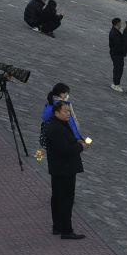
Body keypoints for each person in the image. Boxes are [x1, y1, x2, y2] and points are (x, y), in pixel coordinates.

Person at [42, 99, 89, 240]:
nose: (68, 113)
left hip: (58, 167)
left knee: (57, 197)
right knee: (66, 199)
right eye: (65, 111)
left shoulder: (57, 124)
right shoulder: (56, 128)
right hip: (64, 168)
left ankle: (57, 226)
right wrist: (81, 147)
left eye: (68, 111)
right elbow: (65, 150)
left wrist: (76, 142)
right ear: (56, 113)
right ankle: (66, 230)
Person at [108, 17, 124, 92]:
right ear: (117, 24)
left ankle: (116, 83)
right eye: (120, 23)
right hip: (117, 54)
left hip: (115, 53)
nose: (121, 25)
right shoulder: (115, 33)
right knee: (118, 69)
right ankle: (116, 84)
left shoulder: (114, 31)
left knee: (118, 68)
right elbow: (118, 45)